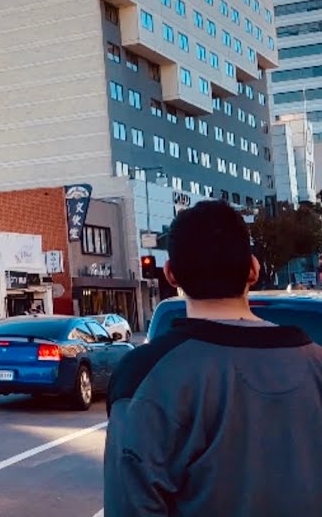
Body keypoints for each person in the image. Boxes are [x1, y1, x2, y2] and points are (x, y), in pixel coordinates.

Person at [103, 200, 322, 516]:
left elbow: (131, 504)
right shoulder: (315, 363)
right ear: (253, 269)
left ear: (171, 274)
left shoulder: (145, 377)